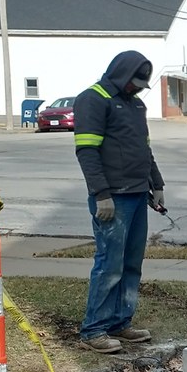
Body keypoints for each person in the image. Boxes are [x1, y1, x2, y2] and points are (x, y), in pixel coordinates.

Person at [73, 50, 165, 353]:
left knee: (130, 263)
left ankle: (119, 322)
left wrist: (157, 185)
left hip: (138, 194)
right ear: (120, 74)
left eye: (140, 84)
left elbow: (144, 149)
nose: (136, 88)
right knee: (109, 264)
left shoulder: (136, 104)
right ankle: (94, 330)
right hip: (113, 198)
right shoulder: (93, 99)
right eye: (133, 82)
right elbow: (87, 152)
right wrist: (102, 194)